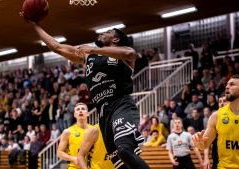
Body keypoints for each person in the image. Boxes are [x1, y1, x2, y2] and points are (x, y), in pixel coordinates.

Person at [25, 17, 149, 169]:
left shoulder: (121, 55)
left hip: (121, 106)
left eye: (108, 32)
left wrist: (93, 49)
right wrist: (34, 25)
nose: (103, 33)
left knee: (125, 149)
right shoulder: (87, 57)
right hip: (104, 114)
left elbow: (130, 52)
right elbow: (55, 46)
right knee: (120, 164)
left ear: (115, 39)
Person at [192, 75, 239, 168]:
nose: (227, 86)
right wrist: (199, 142)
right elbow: (204, 145)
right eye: (227, 84)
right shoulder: (216, 116)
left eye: (232, 84)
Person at [57, 103, 92, 169]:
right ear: (74, 115)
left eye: (83, 109)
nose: (80, 111)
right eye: (78, 109)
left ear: (87, 113)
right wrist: (73, 158)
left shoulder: (94, 130)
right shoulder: (68, 132)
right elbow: (59, 152)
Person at [203, 93, 229, 169]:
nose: (222, 103)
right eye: (220, 101)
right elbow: (207, 141)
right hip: (218, 161)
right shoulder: (214, 119)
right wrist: (206, 158)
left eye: (224, 101)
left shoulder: (238, 118)